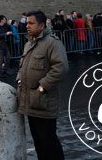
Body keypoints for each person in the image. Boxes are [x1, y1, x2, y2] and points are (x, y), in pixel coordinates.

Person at [17, 10, 68, 160]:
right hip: (30, 102)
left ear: (41, 24)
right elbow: (22, 65)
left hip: (44, 102)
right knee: (38, 142)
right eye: (27, 23)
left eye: (31, 23)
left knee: (49, 143)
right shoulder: (28, 44)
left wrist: (43, 86)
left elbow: (61, 67)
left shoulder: (52, 43)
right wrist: (19, 78)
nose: (27, 26)